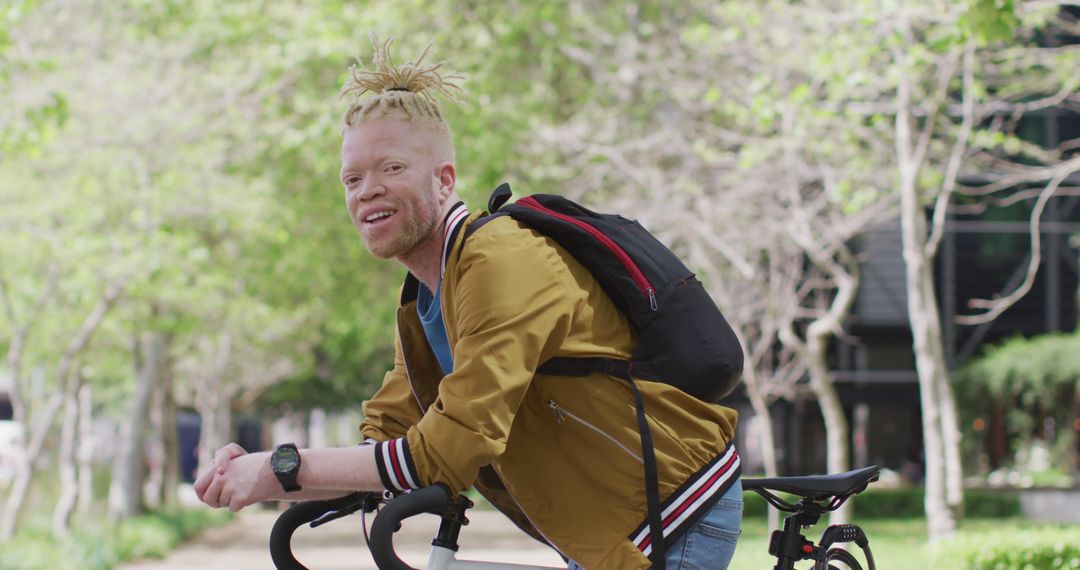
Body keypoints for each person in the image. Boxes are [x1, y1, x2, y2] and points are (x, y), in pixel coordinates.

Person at [194, 36, 742, 570]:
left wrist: (283, 467)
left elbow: (452, 444)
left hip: (672, 507)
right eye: (352, 179)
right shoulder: (426, 298)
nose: (367, 191)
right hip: (603, 524)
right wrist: (254, 473)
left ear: (444, 180)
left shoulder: (500, 259)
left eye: (392, 169)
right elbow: (388, 433)